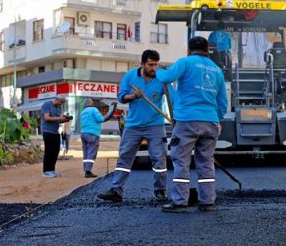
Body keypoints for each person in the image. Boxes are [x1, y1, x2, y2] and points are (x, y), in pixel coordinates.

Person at [153, 36, 228, 213]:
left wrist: (158, 70)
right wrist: (217, 119)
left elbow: (167, 77)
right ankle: (207, 201)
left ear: (189, 49)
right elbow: (222, 101)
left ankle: (179, 202)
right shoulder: (216, 70)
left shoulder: (185, 62)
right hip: (210, 121)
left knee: (181, 161)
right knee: (206, 162)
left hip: (187, 120)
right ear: (207, 50)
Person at [98, 49, 170, 203]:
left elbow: (172, 98)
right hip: (133, 125)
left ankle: (160, 190)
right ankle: (116, 190)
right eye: (150, 64)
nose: (153, 68)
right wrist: (133, 96)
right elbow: (121, 97)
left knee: (159, 158)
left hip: (155, 125)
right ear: (142, 64)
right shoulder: (130, 76)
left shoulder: (161, 77)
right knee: (125, 157)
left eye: (156, 64)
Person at [79, 99, 116, 178]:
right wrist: (109, 113)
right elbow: (101, 119)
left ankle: (86, 169)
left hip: (83, 134)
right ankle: (88, 171)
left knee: (86, 153)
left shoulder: (82, 112)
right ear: (91, 104)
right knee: (92, 152)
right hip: (92, 133)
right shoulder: (93, 109)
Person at [41, 95, 71, 177]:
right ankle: (46, 171)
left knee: (55, 151)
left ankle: (51, 170)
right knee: (49, 151)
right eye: (61, 102)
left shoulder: (59, 107)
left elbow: (58, 119)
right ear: (57, 99)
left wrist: (64, 119)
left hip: (55, 132)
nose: (61, 104)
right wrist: (59, 118)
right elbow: (46, 118)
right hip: (47, 131)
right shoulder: (47, 104)